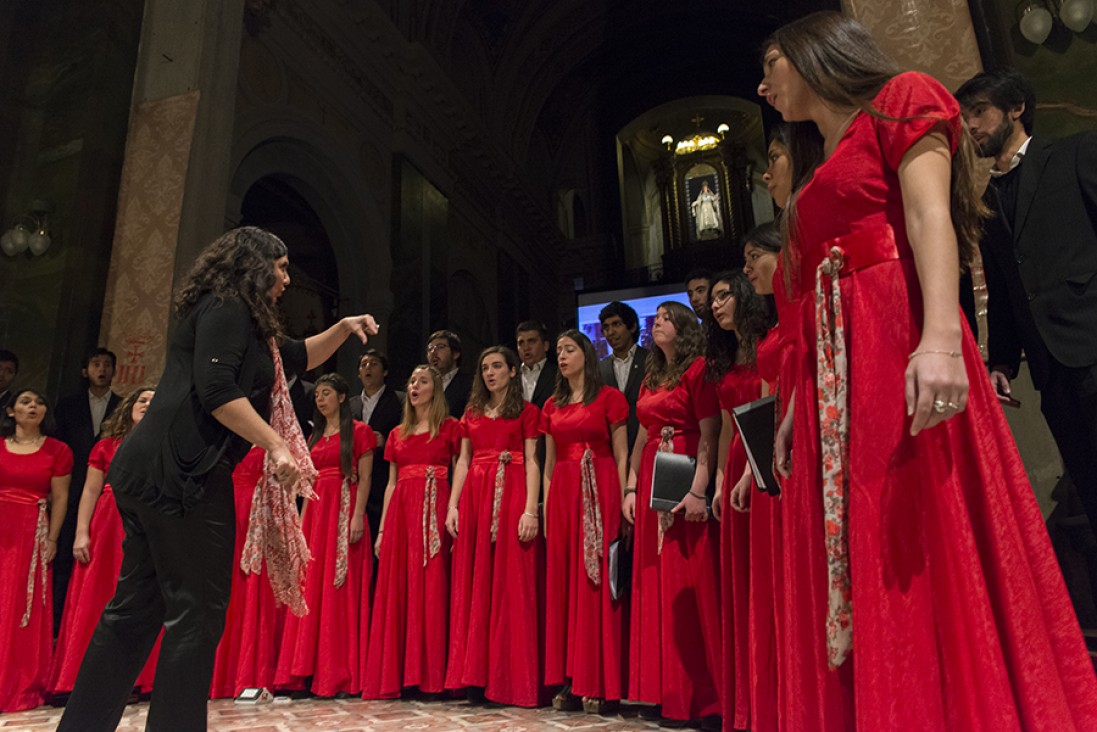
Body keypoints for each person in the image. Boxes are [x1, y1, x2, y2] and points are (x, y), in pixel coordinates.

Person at [758, 11, 1097, 729]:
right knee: (863, 531)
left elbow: (926, 218)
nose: (762, 85)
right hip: (833, 368)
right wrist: (791, 406)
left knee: (914, 516)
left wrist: (941, 336)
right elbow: (804, 296)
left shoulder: (900, 96)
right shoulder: (815, 161)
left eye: (770, 64)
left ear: (814, 53)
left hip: (889, 334)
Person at [57, 227, 379, 732]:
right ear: (255, 265)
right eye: (282, 267)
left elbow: (297, 355)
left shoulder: (242, 321)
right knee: (198, 613)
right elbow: (216, 390)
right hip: (182, 474)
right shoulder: (227, 307)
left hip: (153, 471)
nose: (287, 279)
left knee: (136, 609)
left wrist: (342, 327)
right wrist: (274, 444)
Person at [956, 68, 1097, 541]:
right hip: (1051, 371)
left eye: (980, 112)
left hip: (1093, 345)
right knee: (1090, 488)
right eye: (965, 116)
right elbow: (1002, 288)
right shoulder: (985, 201)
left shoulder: (1075, 154)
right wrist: (1000, 362)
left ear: (1016, 109)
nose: (971, 125)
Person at [622, 302, 720, 727]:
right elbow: (642, 433)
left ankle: (701, 698)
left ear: (682, 328)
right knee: (654, 581)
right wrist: (630, 486)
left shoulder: (697, 370)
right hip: (650, 479)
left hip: (683, 469)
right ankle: (662, 691)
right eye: (655, 318)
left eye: (664, 317)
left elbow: (710, 432)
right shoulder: (650, 378)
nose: (656, 322)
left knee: (686, 581)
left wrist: (700, 489)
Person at [444, 346, 543, 706]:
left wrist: (531, 509)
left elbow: (533, 460)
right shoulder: (471, 412)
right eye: (485, 367)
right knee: (477, 583)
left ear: (513, 372)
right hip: (476, 498)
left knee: (511, 584)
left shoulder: (528, 412)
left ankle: (512, 678)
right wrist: (453, 505)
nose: (490, 373)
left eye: (498, 366)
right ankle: (476, 677)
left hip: (513, 491)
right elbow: (463, 462)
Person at [49, 387, 160, 698]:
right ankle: (82, 678)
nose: (148, 404)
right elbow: (89, 492)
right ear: (129, 407)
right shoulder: (105, 446)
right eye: (142, 399)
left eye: (154, 401)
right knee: (96, 597)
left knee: (138, 598)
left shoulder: (165, 446)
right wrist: (82, 532)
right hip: (108, 525)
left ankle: (134, 679)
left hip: (147, 524)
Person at [540, 329, 628, 714]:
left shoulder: (610, 398)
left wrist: (626, 498)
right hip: (562, 491)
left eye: (569, 349)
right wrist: (543, 509)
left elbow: (623, 454)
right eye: (558, 350)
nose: (561, 356)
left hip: (601, 487)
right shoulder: (551, 404)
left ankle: (602, 680)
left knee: (596, 580)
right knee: (565, 583)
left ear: (586, 355)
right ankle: (570, 679)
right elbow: (547, 463)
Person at [363, 365, 461, 699]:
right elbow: (391, 484)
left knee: (433, 587)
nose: (415, 385)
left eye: (422, 381)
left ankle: (434, 677)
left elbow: (462, 469)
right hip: (402, 513)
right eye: (412, 380)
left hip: (435, 507)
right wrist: (382, 530)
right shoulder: (397, 433)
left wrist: (453, 509)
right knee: (401, 589)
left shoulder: (450, 427)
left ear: (436, 389)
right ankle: (401, 674)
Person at [276, 373, 375, 696]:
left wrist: (358, 516)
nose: (320, 399)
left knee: (340, 589)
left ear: (343, 397)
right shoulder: (314, 437)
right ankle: (306, 669)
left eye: (327, 393)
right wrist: (300, 529)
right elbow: (306, 486)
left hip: (344, 510)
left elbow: (365, 478)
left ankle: (341, 674)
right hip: (316, 516)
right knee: (312, 589)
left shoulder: (359, 432)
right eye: (317, 394)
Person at [706, 270, 771, 731]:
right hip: (734, 463)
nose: (716, 305)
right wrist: (714, 484)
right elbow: (727, 425)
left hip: (764, 455)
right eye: (712, 300)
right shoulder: (726, 359)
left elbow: (771, 409)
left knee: (767, 576)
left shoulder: (769, 342)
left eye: (724, 295)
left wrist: (751, 468)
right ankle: (749, 698)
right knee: (743, 580)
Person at [0, 388, 71, 712]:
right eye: (26, 401)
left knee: (18, 606)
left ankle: (15, 683)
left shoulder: (58, 451)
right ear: (11, 411)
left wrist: (52, 538)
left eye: (40, 402)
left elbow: (60, 498)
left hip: (31, 531)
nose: (34, 406)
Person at [52, 347, 122, 631]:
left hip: (104, 492)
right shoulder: (67, 405)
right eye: (96, 364)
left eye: (107, 364)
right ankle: (58, 623)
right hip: (69, 489)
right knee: (65, 557)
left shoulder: (121, 405)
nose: (102, 369)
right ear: (85, 371)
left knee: (96, 559)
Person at [208, 446, 283, 699]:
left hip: (256, 515)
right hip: (226, 511)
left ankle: (250, 673)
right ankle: (220, 676)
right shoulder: (226, 442)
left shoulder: (270, 442)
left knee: (252, 589)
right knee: (226, 590)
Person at [349, 350, 404, 541]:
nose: (367, 368)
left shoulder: (400, 400)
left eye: (373, 364)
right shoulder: (350, 404)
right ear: (358, 374)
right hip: (356, 477)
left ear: (385, 371)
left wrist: (386, 440)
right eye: (363, 365)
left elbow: (407, 433)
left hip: (384, 474)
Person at [598, 301, 649, 454]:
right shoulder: (600, 368)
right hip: (611, 449)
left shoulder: (651, 360)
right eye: (606, 327)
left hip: (646, 444)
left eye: (616, 324)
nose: (610, 332)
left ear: (632, 327)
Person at [427, 329, 473, 419]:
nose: (433, 352)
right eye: (430, 349)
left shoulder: (470, 384)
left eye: (440, 347)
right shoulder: (425, 384)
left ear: (456, 354)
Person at [515, 320, 556, 408]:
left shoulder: (559, 374)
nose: (526, 348)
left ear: (545, 346)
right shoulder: (511, 376)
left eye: (531, 341)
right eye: (521, 343)